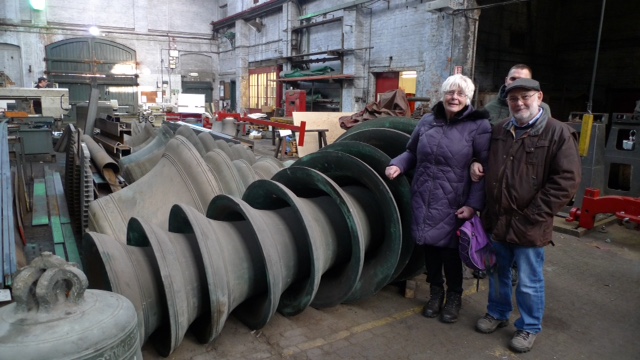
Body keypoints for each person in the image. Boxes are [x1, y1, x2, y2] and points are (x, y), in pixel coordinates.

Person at [474, 78, 581, 353]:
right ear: (507, 103)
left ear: (539, 97)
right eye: (513, 99)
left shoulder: (558, 133)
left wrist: (533, 214)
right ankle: (497, 314)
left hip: (530, 224)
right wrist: (476, 164)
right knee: (498, 273)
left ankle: (528, 327)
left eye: (525, 97)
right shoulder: (500, 130)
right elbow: (487, 163)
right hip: (498, 219)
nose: (519, 103)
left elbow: (567, 180)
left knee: (530, 280)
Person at [385, 74, 491, 324]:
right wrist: (397, 165)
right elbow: (411, 151)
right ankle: (435, 293)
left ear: (468, 98)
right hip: (424, 195)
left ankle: (454, 296)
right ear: (443, 94)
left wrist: (473, 206)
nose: (454, 97)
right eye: (450, 92)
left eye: (461, 94)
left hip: (455, 200)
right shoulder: (428, 121)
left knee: (450, 252)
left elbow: (484, 168)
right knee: (429, 248)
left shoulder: (479, 126)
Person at [476, 64, 551, 285]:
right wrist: (475, 162)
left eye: (522, 81)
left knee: (528, 271)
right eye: (512, 79)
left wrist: (537, 210)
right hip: (497, 196)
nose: (519, 101)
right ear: (506, 81)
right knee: (495, 253)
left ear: (535, 94)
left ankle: (528, 316)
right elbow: (480, 145)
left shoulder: (545, 115)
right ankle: (496, 304)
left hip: (526, 202)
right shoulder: (490, 111)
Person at [483, 64, 551, 126]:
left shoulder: (543, 108)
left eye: (523, 79)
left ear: (530, 82)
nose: (517, 82)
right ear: (506, 81)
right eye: (513, 79)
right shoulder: (489, 108)